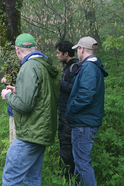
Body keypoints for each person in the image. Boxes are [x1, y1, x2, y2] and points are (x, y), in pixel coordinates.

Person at [1, 33, 59, 185]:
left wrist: (7, 95)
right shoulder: (43, 66)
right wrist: (17, 91)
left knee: (11, 177)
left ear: (18, 50)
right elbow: (41, 96)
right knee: (32, 178)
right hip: (42, 131)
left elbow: (25, 106)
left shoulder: (28, 67)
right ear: (36, 48)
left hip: (30, 133)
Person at [66, 36, 108, 186]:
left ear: (81, 49)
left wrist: (70, 110)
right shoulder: (91, 66)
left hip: (84, 123)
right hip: (85, 122)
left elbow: (86, 95)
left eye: (77, 49)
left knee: (83, 163)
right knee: (80, 162)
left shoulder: (89, 67)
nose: (77, 52)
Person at [55, 41, 79, 179]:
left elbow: (74, 88)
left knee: (67, 143)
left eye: (59, 53)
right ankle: (64, 173)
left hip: (69, 113)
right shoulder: (67, 67)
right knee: (63, 142)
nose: (57, 55)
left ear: (66, 53)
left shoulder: (75, 67)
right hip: (63, 111)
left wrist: (59, 83)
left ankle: (67, 176)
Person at [1, 77, 15, 145]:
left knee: (16, 142)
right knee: (12, 142)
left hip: (18, 114)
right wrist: (6, 83)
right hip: (11, 113)